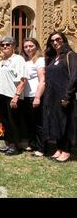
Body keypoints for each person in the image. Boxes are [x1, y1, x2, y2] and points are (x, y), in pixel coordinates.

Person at [43, 32, 76, 162]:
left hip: (65, 96)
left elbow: (74, 77)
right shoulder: (52, 58)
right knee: (56, 122)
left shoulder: (71, 56)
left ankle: (67, 151)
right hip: (52, 97)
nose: (56, 42)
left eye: (58, 39)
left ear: (64, 40)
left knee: (66, 123)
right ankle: (59, 148)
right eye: (52, 41)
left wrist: (68, 95)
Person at [0, 36, 28, 156]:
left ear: (13, 47)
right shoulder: (1, 61)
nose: (5, 46)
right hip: (1, 95)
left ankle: (15, 146)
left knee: (13, 121)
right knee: (5, 121)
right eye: (3, 45)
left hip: (12, 95)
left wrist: (16, 96)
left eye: (8, 44)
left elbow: (23, 79)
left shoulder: (18, 59)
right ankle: (10, 143)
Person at [20, 38, 46, 157]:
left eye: (31, 46)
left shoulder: (40, 60)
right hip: (25, 96)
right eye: (26, 46)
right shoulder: (25, 61)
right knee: (30, 122)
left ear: (36, 46)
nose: (28, 48)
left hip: (34, 95)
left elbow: (42, 80)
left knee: (38, 123)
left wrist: (37, 97)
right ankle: (33, 143)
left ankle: (41, 148)